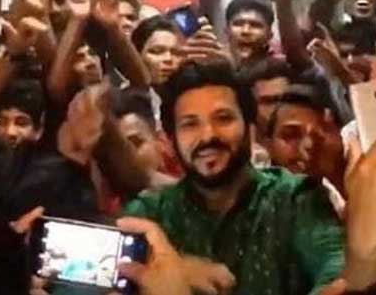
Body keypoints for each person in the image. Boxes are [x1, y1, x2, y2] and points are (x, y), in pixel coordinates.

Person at [124, 60, 345, 295]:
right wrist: (179, 266)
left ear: (250, 129)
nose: (208, 135)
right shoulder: (152, 212)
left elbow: (337, 276)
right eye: (190, 125)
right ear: (171, 140)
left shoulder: (295, 198)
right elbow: (100, 265)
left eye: (223, 118)